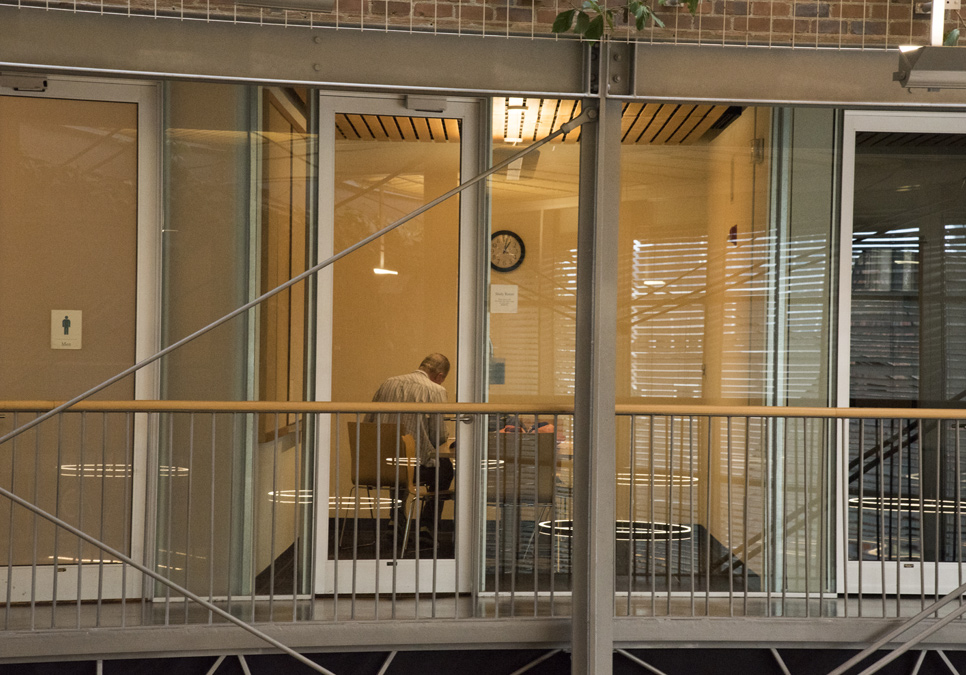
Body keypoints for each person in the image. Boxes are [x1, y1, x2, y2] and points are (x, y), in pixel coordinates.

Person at [365, 353, 454, 545]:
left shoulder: (388, 383)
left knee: (400, 463)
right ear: (439, 376)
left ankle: (396, 519)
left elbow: (369, 423)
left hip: (381, 466)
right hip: (414, 467)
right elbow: (437, 437)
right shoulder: (436, 390)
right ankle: (426, 528)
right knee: (445, 469)